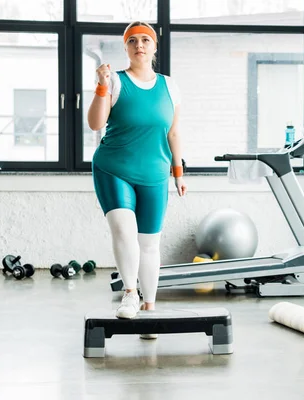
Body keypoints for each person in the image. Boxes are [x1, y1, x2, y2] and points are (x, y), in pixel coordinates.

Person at [87, 21, 187, 331]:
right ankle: (130, 293)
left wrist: (178, 172)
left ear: (155, 47)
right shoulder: (115, 81)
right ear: (126, 48)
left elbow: (173, 132)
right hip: (113, 168)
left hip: (155, 175)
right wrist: (101, 86)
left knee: (150, 244)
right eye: (132, 41)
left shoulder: (170, 86)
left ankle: (149, 306)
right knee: (123, 230)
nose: (139, 45)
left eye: (145, 40)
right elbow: (95, 123)